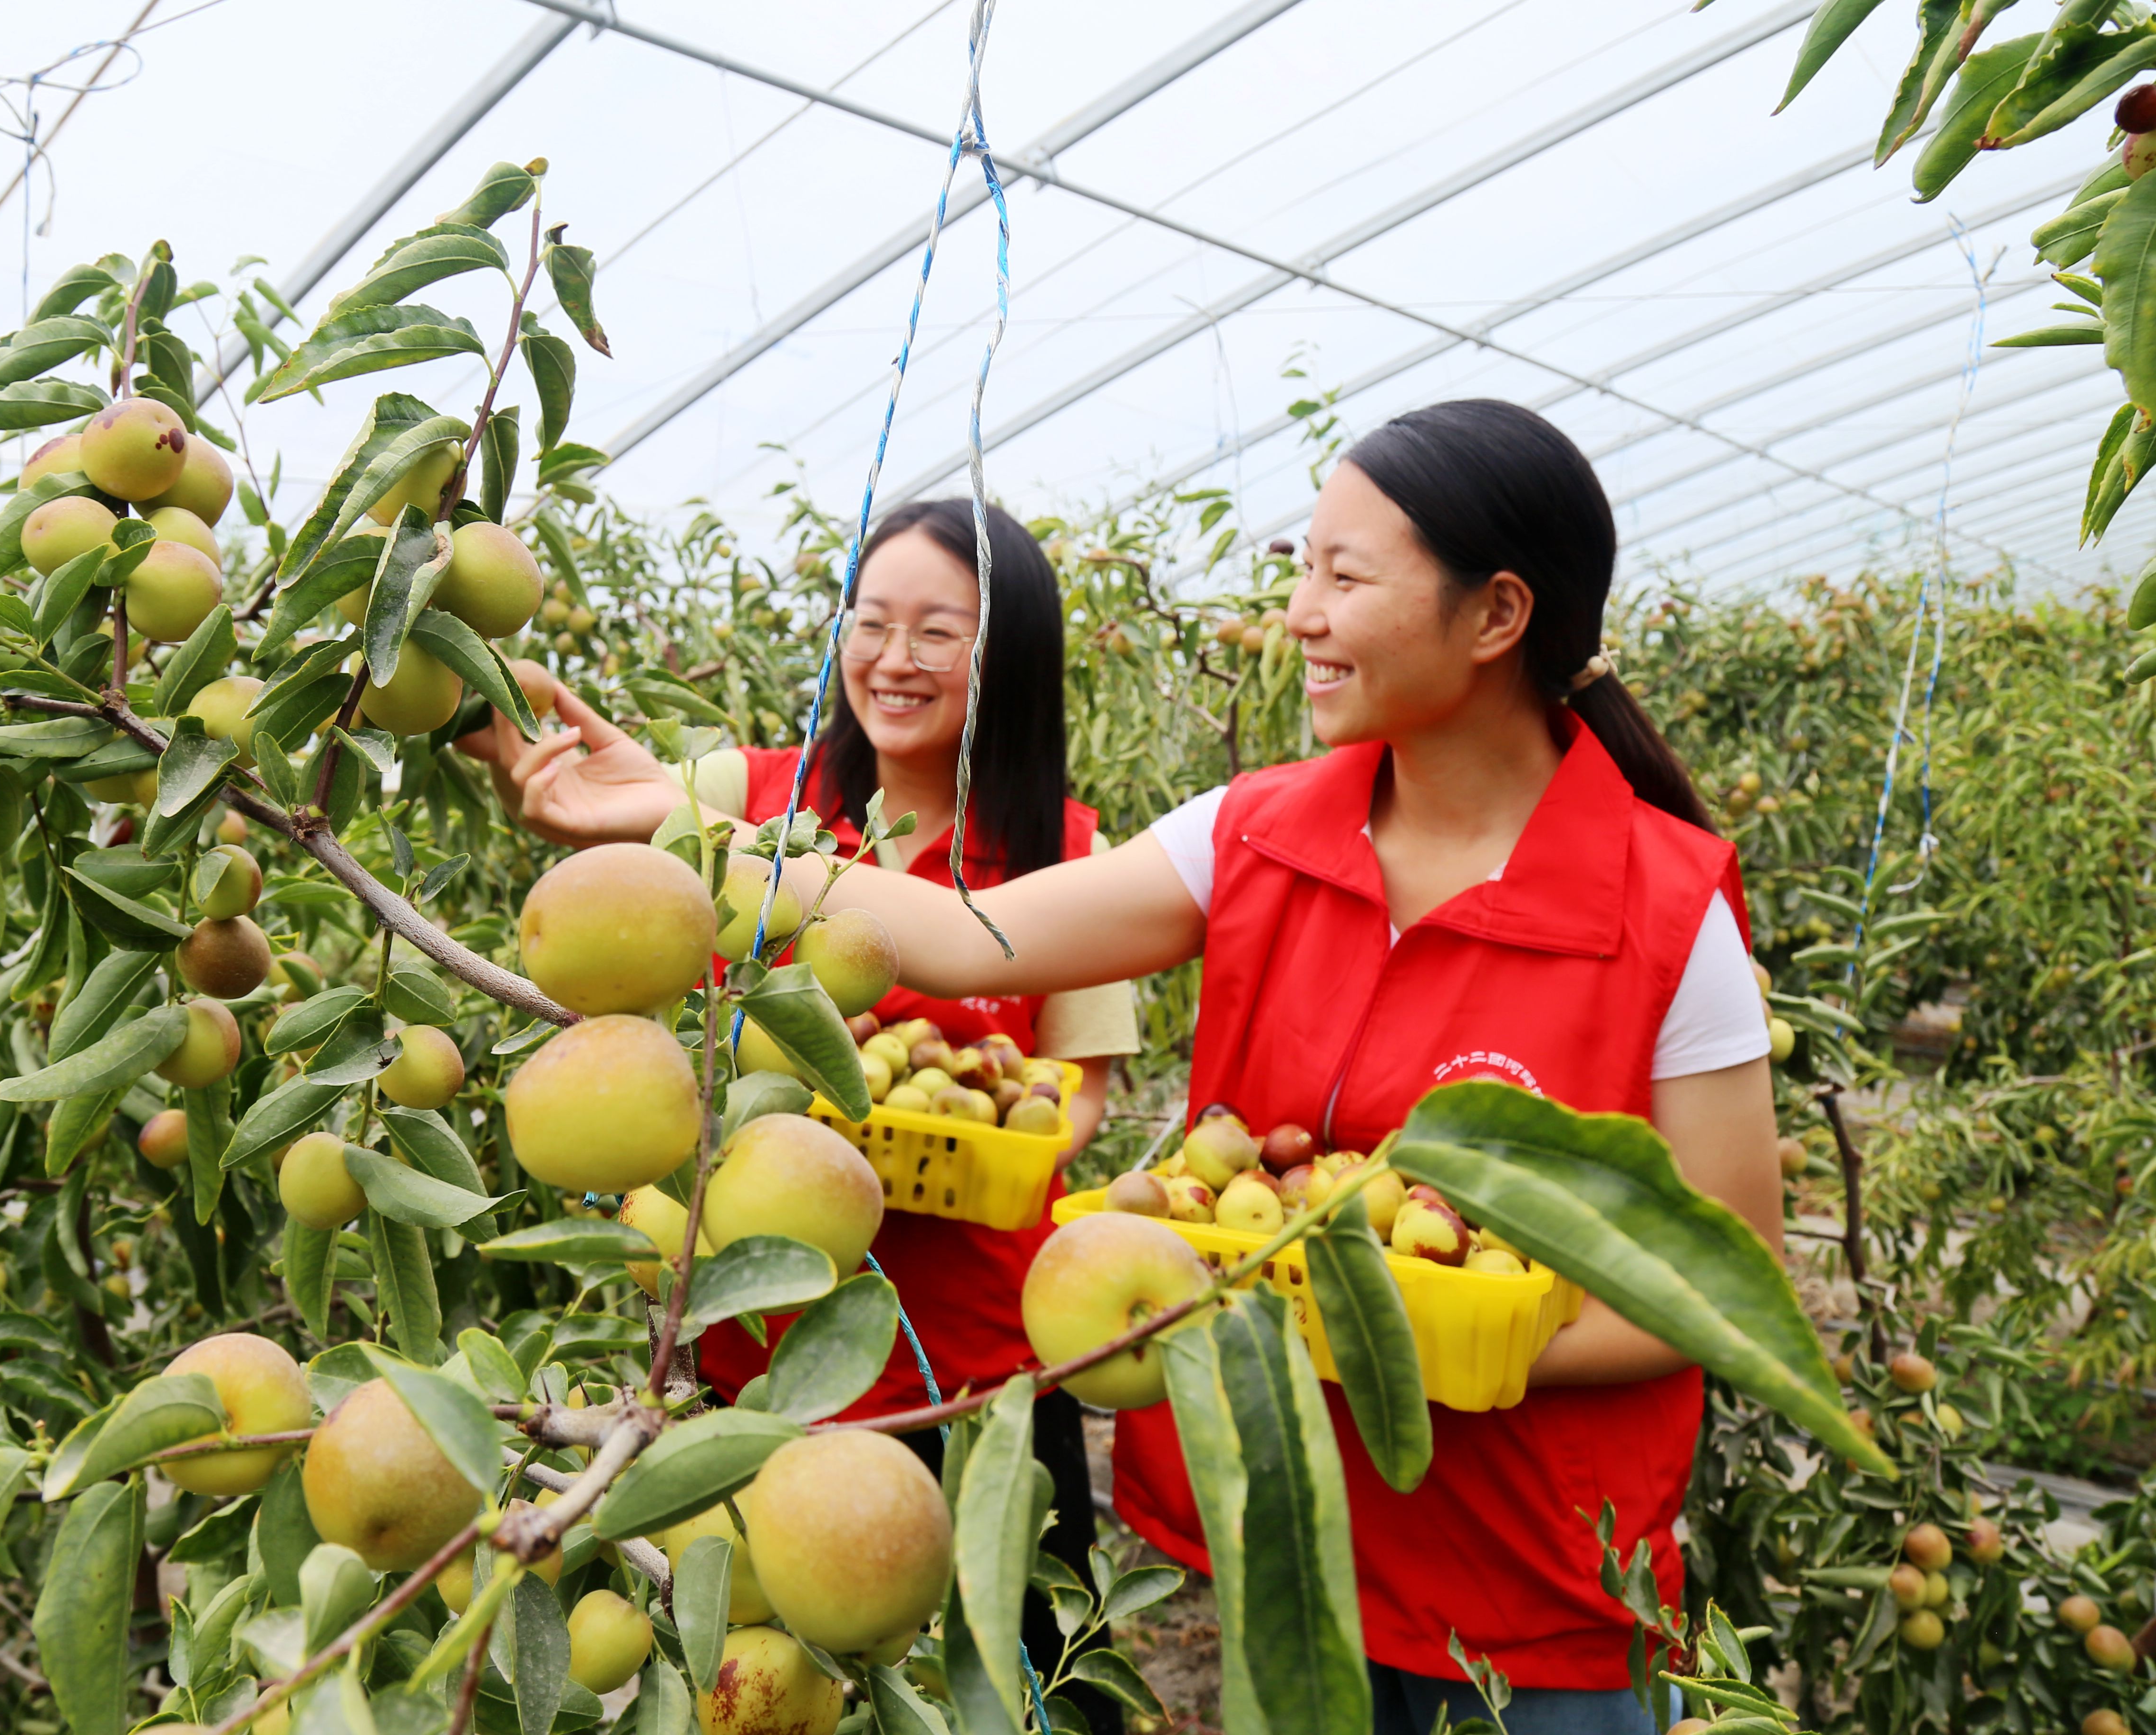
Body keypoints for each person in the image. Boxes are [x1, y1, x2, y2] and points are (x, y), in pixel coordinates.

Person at [715, 403, 1780, 1735]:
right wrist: (683, 821)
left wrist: (1428, 1329)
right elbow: (956, 930)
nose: (1301, 614)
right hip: (1284, 1559)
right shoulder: (1258, 831)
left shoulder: (1668, 915)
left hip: (1532, 1605)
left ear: (1497, 614)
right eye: (1301, 569)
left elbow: (1730, 1286)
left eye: (1345, 576)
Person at [459, 497, 1138, 1730]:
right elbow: (621, 879)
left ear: (1012, 654)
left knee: (1017, 1675)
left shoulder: (1073, 859)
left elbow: (1079, 1085)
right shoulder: (745, 795)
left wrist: (964, 1152)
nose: (893, 658)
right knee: (759, 1684)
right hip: (751, 1352)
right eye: (870, 622)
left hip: (978, 1360)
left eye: (939, 630)